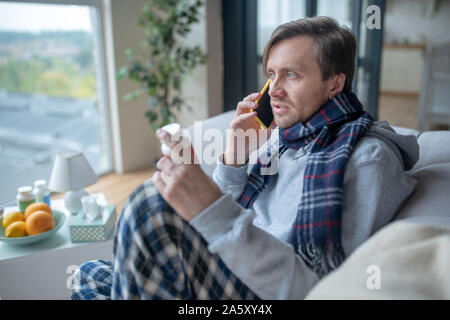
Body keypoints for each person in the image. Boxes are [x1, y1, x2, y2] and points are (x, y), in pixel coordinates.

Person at [70, 16, 419, 300]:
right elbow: (233, 213)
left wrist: (208, 207)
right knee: (86, 276)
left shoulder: (366, 158)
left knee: (148, 207)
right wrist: (235, 158)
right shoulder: (282, 137)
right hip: (233, 261)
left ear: (334, 84)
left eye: (292, 75)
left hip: (267, 289)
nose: (275, 90)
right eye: (271, 75)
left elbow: (324, 289)